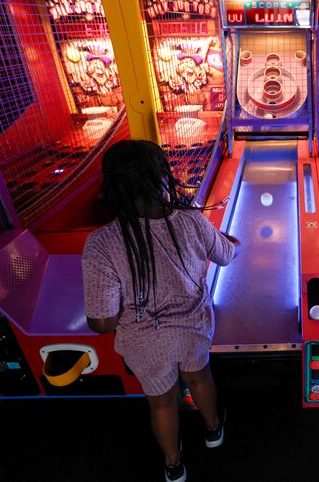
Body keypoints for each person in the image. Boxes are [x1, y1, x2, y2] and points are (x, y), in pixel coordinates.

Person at [82, 140, 240, 482]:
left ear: (112, 186)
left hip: (143, 342)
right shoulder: (190, 222)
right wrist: (227, 240)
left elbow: (102, 321)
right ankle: (213, 430)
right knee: (199, 377)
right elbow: (227, 255)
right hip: (192, 327)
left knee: (161, 403)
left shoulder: (101, 244)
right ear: (163, 177)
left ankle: (173, 465)